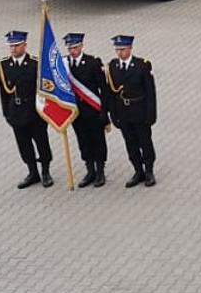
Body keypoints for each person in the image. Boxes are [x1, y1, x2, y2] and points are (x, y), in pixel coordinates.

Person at [0, 30, 52, 189]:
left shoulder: (35, 63)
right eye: (11, 46)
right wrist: (6, 113)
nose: (13, 49)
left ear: (25, 45)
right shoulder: (4, 65)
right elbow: (3, 91)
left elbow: (44, 88)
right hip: (16, 111)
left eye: (16, 45)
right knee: (24, 144)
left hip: (34, 111)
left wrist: (45, 111)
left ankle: (46, 172)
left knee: (41, 143)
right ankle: (32, 172)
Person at [106, 34, 158, 187]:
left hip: (139, 111)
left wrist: (151, 114)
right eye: (117, 50)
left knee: (145, 142)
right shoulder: (112, 67)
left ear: (130, 49)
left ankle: (149, 171)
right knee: (131, 144)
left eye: (122, 49)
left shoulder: (142, 65)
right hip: (123, 113)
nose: (120, 53)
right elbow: (111, 93)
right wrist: (113, 115)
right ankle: (138, 171)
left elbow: (150, 93)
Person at [64, 32, 111, 188]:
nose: (72, 51)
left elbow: (103, 89)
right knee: (83, 141)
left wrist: (105, 112)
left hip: (93, 110)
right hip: (76, 112)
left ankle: (100, 171)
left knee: (97, 140)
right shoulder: (64, 65)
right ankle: (89, 170)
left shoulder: (93, 63)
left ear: (82, 46)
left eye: (75, 47)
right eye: (70, 48)